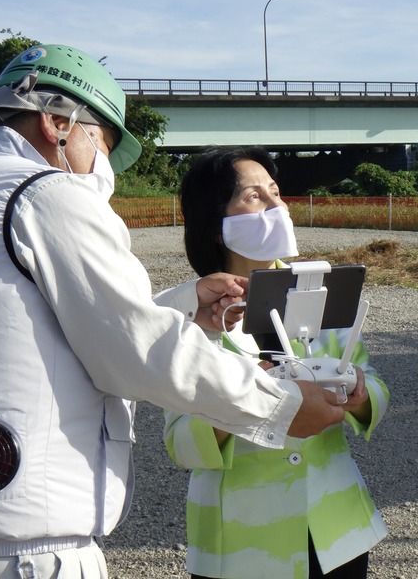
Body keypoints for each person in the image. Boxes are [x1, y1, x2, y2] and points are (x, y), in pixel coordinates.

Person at [0, 44, 347, 579]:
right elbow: (137, 349)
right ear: (59, 123)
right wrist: (280, 406)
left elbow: (60, 327)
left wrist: (183, 303)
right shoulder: (43, 193)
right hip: (23, 553)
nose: (102, 167)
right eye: (101, 144)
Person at [163, 146, 390, 579]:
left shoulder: (325, 294)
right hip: (240, 543)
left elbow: (375, 388)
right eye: (254, 197)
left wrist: (359, 392)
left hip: (337, 531)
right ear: (216, 225)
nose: (276, 206)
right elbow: (180, 442)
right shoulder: (188, 314)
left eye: (276, 192)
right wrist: (244, 399)